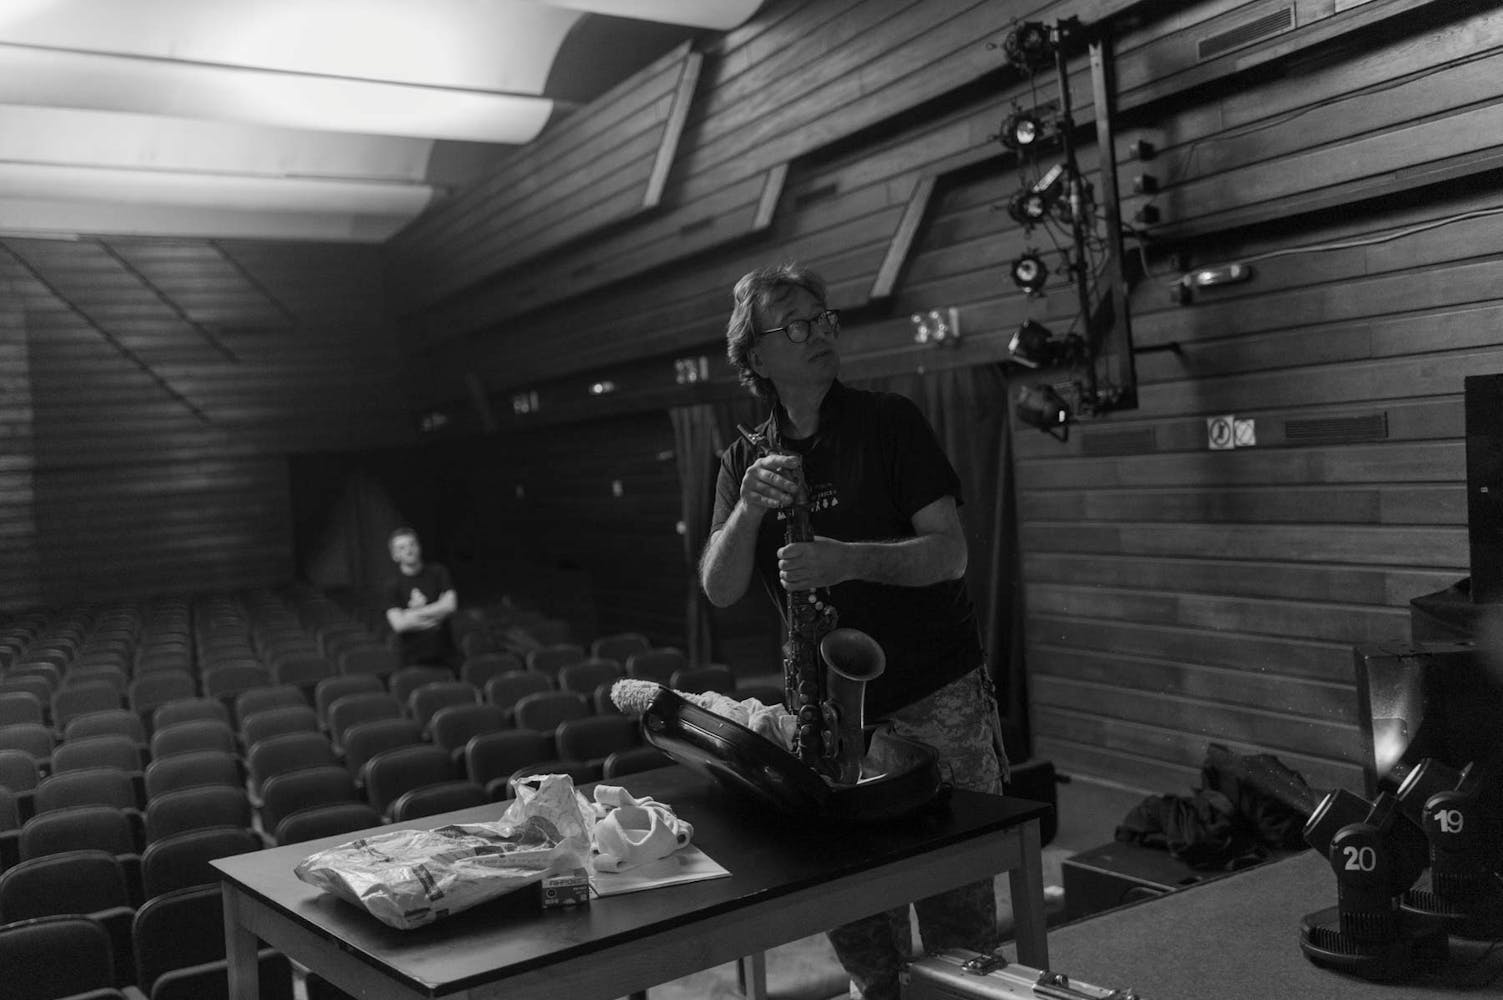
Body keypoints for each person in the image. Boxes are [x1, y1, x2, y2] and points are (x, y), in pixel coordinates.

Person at [699, 262, 1010, 1000]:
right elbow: (719, 587)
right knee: (862, 926)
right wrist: (745, 511)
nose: (819, 335)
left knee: (959, 922)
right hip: (833, 720)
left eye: (823, 319)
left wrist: (845, 560)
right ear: (755, 356)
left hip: (937, 695)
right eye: (796, 326)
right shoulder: (744, 460)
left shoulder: (888, 421)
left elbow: (950, 552)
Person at [385, 527, 459, 668]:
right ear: (395, 555)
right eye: (402, 548)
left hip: (446, 654)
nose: (409, 550)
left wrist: (409, 614)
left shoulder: (438, 572)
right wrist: (437, 613)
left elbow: (450, 606)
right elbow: (399, 625)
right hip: (412, 659)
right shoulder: (392, 585)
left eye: (412, 544)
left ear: (419, 547)